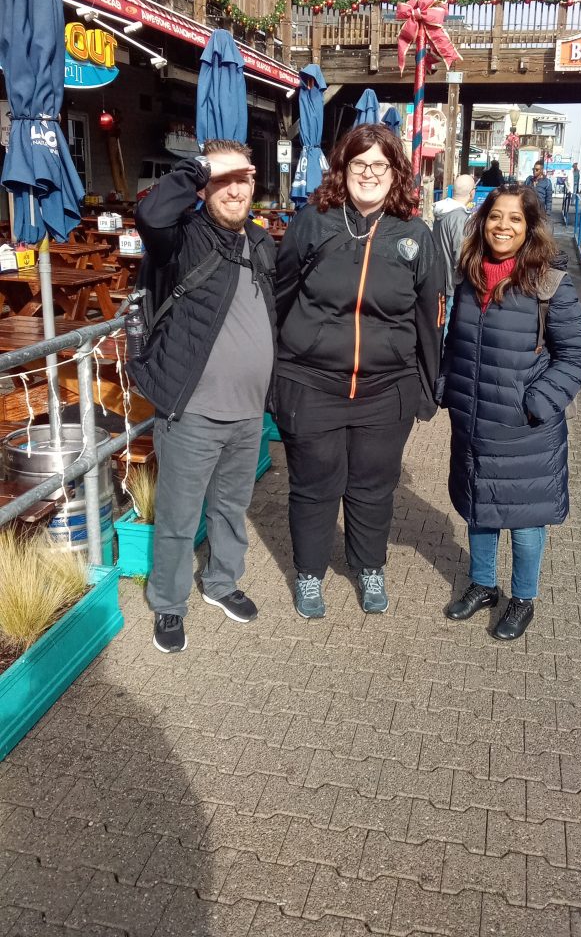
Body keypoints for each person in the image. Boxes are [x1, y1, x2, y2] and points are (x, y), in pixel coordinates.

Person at [274, 124, 443, 619]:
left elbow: (431, 316)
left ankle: (370, 565)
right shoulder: (314, 222)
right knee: (314, 484)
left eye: (379, 166)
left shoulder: (416, 235)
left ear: (395, 173)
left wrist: (427, 386)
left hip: (385, 389)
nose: (368, 174)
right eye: (358, 164)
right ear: (342, 170)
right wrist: (277, 372)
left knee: (373, 486)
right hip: (310, 382)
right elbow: (280, 294)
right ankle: (308, 573)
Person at [130, 140, 276, 653]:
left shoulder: (260, 242)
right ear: (204, 185)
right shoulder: (183, 237)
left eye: (244, 179)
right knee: (178, 517)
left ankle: (220, 582)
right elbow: (150, 211)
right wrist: (201, 166)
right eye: (223, 179)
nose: (235, 189)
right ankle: (169, 604)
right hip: (191, 411)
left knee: (232, 509)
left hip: (247, 413)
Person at [439, 184, 581, 640]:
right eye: (494, 217)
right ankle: (483, 585)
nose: (502, 226)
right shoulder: (469, 275)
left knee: (525, 521)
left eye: (514, 219)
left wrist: (538, 401)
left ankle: (523, 598)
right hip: (474, 418)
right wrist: (449, 384)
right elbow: (457, 343)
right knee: (478, 508)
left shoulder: (549, 284)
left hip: (527, 427)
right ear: (481, 221)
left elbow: (577, 355)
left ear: (529, 228)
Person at [433, 174, 475, 327]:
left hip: (439, 279)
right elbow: (460, 253)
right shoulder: (460, 217)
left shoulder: (441, 212)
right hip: (453, 284)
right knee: (448, 328)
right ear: (472, 193)